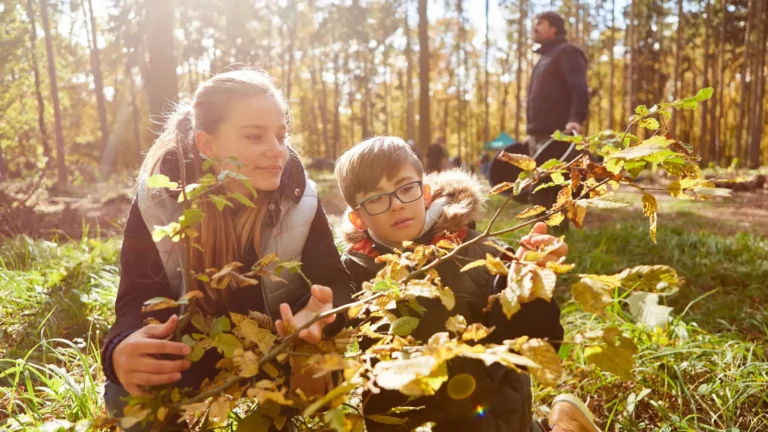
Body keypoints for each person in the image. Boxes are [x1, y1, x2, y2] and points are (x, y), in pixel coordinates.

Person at [102, 69, 354, 430]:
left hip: (279, 355)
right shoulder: (160, 204)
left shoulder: (299, 200)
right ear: (208, 145)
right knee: (131, 392)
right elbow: (135, 301)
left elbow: (335, 282)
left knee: (322, 370)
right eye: (255, 136)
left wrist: (324, 313)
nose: (277, 150)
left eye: (281, 136)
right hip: (189, 361)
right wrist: (121, 350)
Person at [333, 136, 600, 432]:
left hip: (492, 420)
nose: (396, 205)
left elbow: (539, 347)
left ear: (424, 193)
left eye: (405, 188)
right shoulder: (351, 274)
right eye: (377, 198)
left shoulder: (479, 254)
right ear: (359, 219)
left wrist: (525, 292)